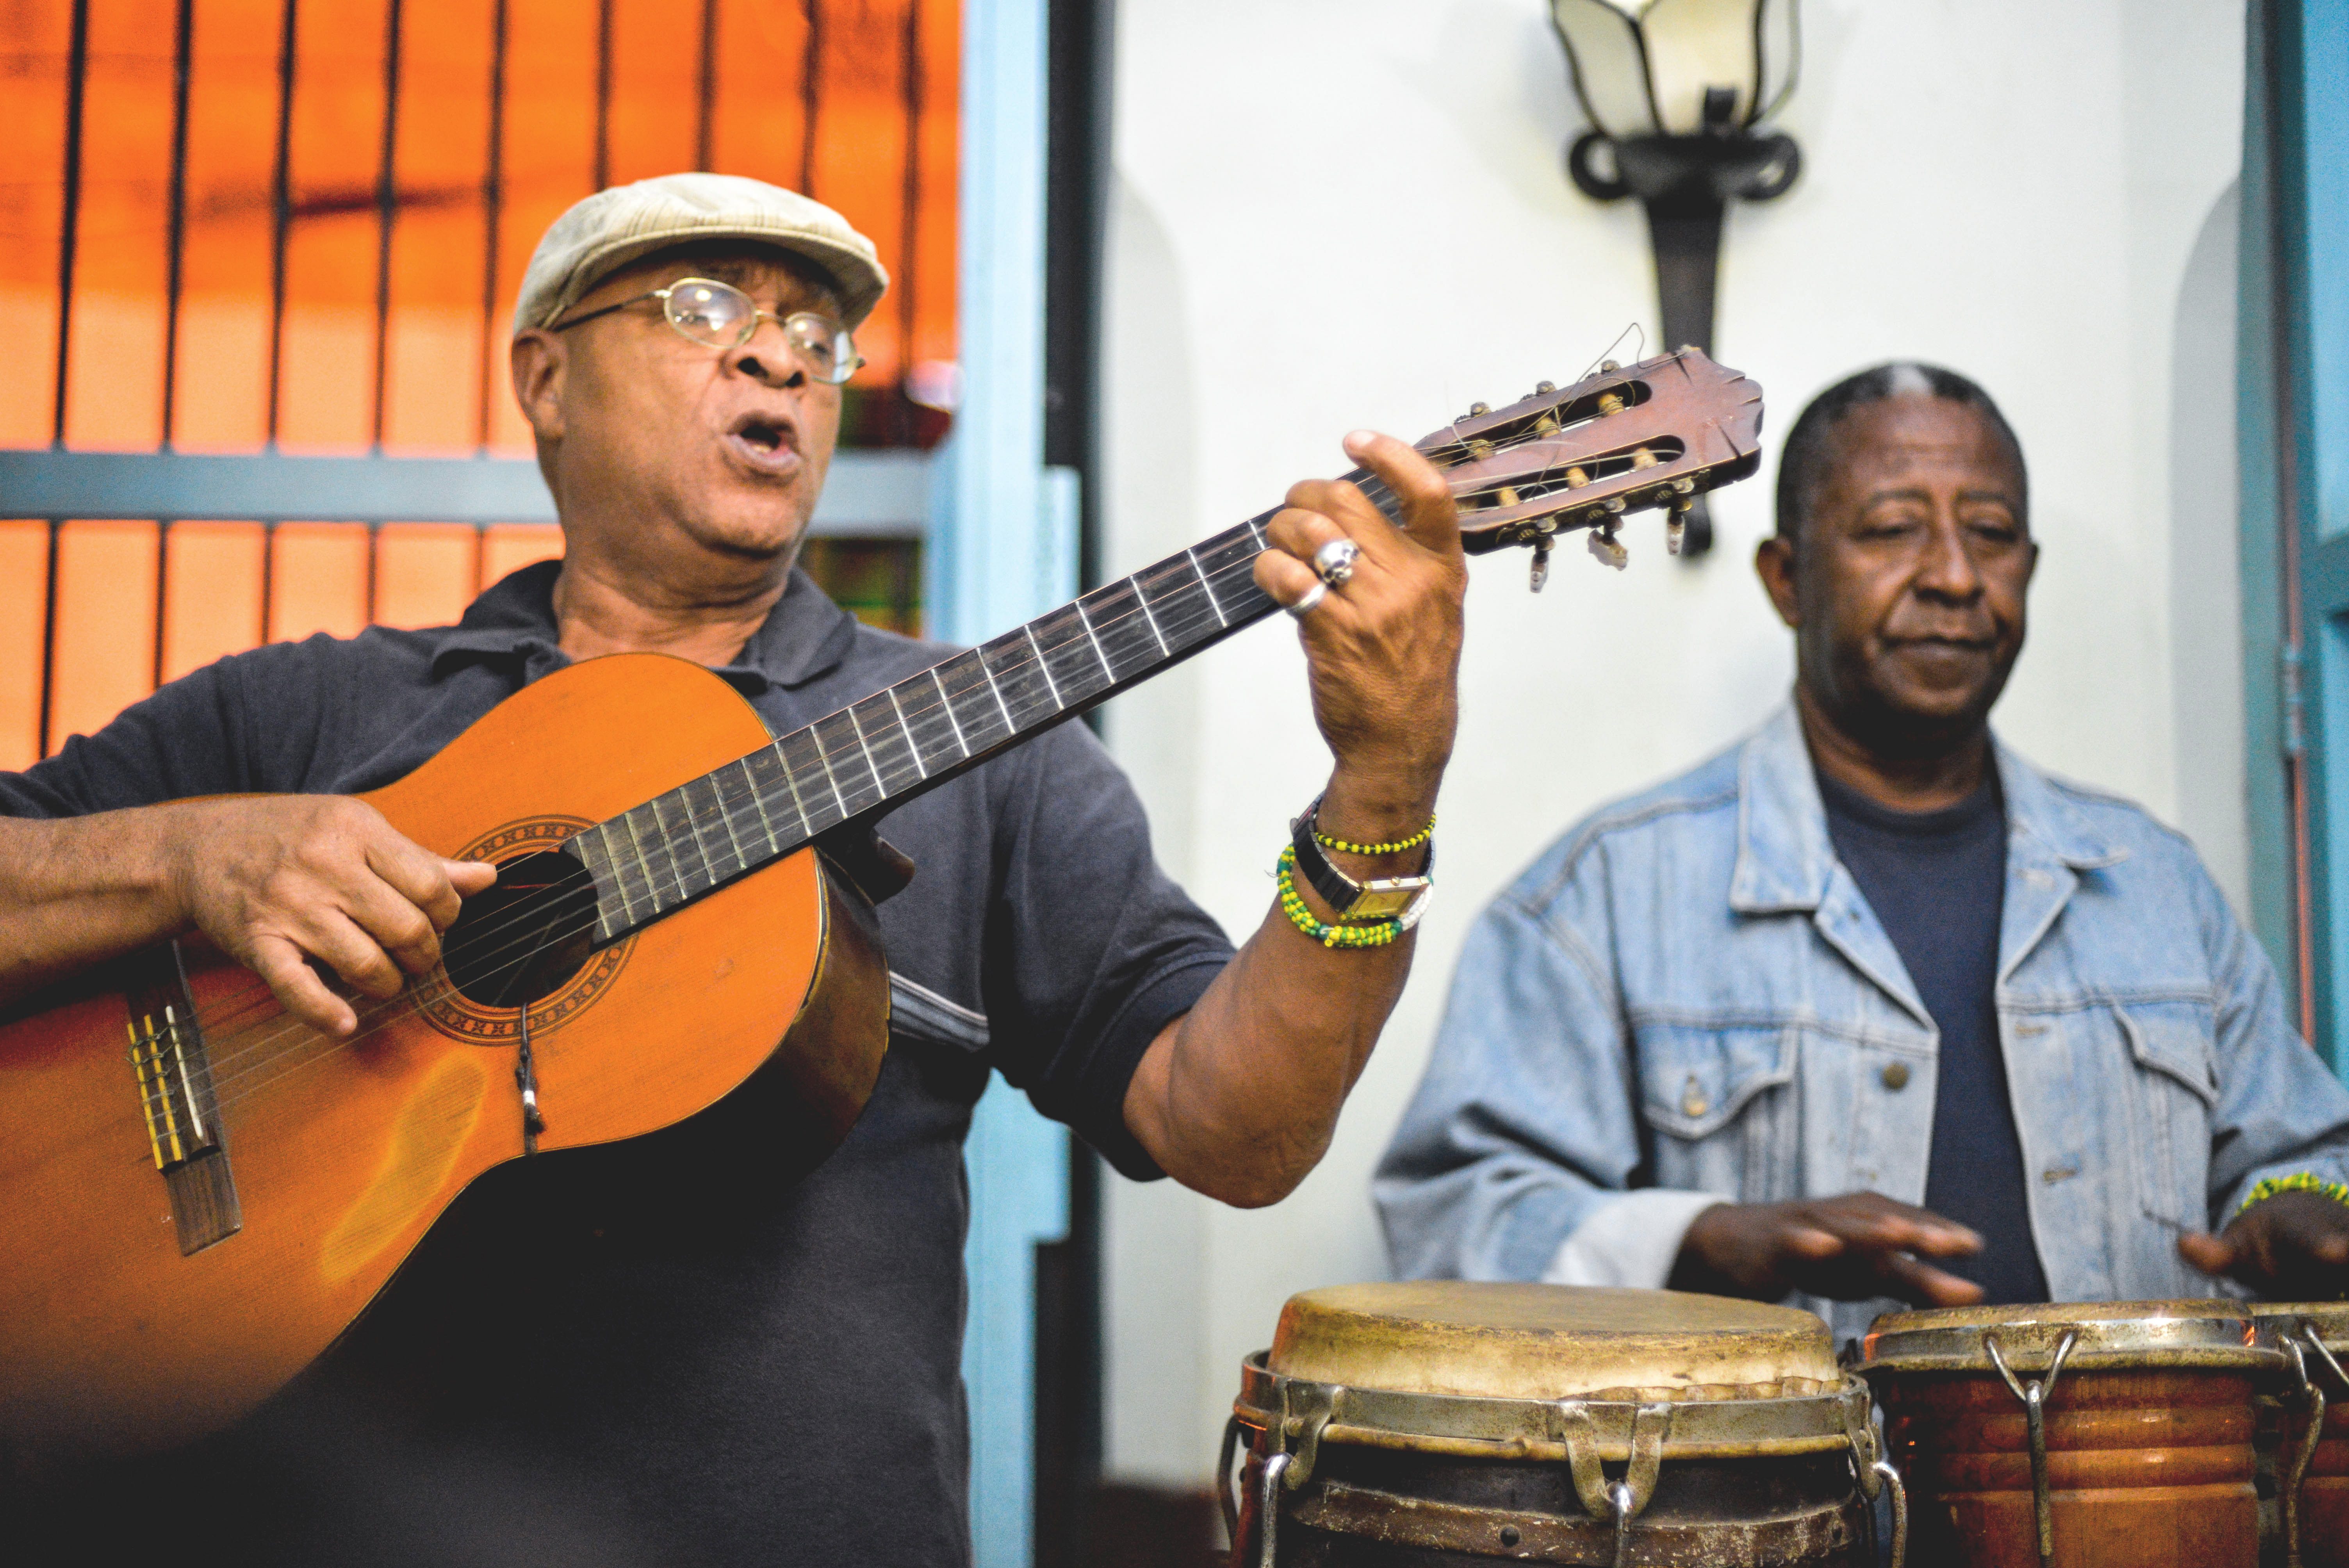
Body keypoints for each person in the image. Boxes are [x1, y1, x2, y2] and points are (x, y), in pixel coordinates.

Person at [0, 175, 1465, 1566]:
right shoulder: (307, 716)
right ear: (545, 379)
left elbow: (1239, 1131)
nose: (777, 356)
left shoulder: (992, 749)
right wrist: (194, 854)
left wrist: (1381, 788)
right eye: (703, 307)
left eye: (817, 337)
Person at [1376, 362, 2349, 1347]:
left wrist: (2301, 1212)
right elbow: (1452, 1222)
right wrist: (1704, 1240)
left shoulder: (2152, 883)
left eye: (1991, 534)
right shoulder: (1605, 894)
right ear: (1787, 580)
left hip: (2142, 1492)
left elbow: (2297, 1157)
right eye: (1891, 529)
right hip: (1777, 1503)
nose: (1955, 577)